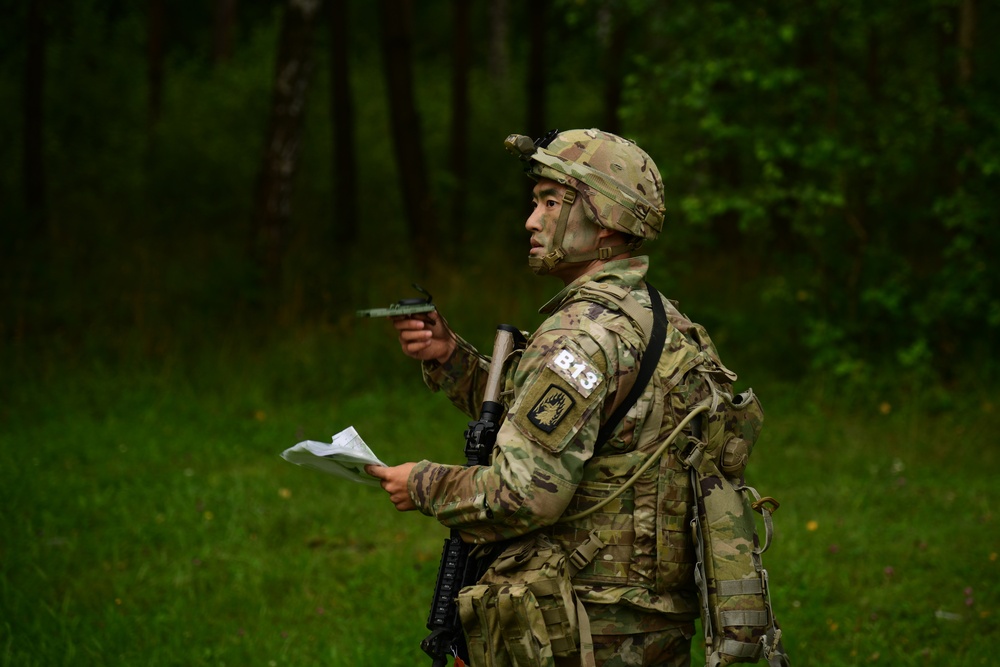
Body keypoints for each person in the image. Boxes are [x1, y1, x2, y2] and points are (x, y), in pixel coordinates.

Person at [367, 128, 734, 667]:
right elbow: (566, 422)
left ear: (604, 216)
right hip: (652, 623)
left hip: (579, 625)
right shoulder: (658, 317)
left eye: (550, 202)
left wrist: (422, 483)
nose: (531, 221)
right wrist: (449, 357)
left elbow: (525, 494)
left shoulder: (579, 338)